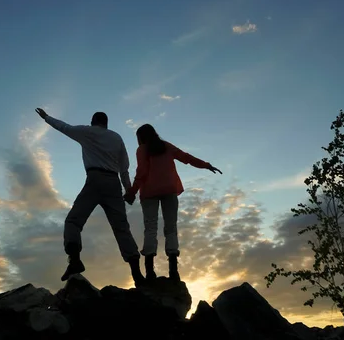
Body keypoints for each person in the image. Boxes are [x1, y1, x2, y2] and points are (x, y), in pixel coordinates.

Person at [35, 108, 145, 285]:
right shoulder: (116, 138)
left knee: (73, 222)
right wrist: (129, 190)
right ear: (106, 123)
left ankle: (75, 261)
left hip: (94, 180)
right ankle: (137, 273)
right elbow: (124, 169)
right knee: (121, 228)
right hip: (113, 183)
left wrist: (46, 117)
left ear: (93, 122)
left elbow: (64, 127)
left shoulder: (86, 132)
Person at [124, 124, 222, 281]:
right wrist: (206, 165)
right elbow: (187, 158)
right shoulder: (166, 146)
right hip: (169, 190)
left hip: (149, 192)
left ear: (141, 137)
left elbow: (141, 171)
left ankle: (150, 271)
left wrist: (131, 192)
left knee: (150, 228)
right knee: (171, 228)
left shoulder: (142, 149)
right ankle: (173, 270)